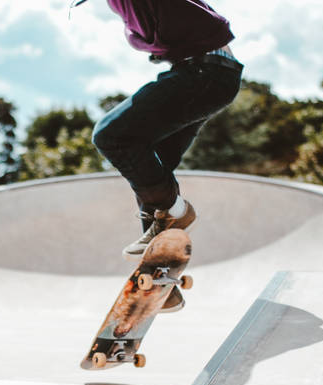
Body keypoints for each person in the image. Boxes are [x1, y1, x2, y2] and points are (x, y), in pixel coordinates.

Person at [75, 0, 243, 311]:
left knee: (111, 136)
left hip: (204, 72)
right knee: (151, 166)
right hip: (209, 74)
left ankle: (174, 210)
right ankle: (162, 278)